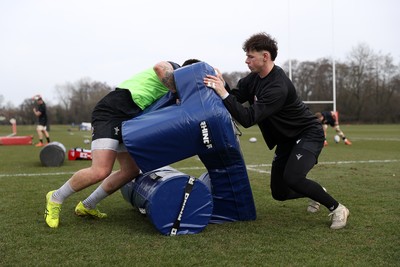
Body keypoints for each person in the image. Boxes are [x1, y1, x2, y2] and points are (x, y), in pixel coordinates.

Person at [204, 32, 350, 229]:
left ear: (265, 56)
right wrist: (223, 85)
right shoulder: (253, 79)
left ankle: (337, 208)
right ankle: (316, 192)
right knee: (279, 193)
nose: (246, 60)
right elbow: (235, 98)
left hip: (308, 133)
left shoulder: (278, 86)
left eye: (250, 56)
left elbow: (248, 118)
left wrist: (223, 93)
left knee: (293, 178)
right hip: (286, 140)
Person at [44, 60, 193, 228]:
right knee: (100, 170)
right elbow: (159, 67)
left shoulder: (179, 88)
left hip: (129, 120)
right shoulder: (173, 68)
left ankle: (87, 205)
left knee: (130, 171)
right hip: (113, 111)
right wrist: (176, 91)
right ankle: (55, 197)